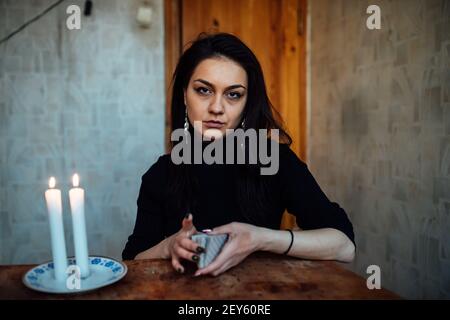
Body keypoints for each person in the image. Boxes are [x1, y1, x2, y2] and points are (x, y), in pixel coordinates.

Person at [122, 32, 355, 277]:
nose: (216, 107)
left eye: (233, 94)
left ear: (247, 104)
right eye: (203, 90)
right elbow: (132, 260)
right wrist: (168, 246)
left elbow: (344, 246)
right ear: (184, 95)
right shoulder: (160, 174)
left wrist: (260, 239)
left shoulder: (274, 160)